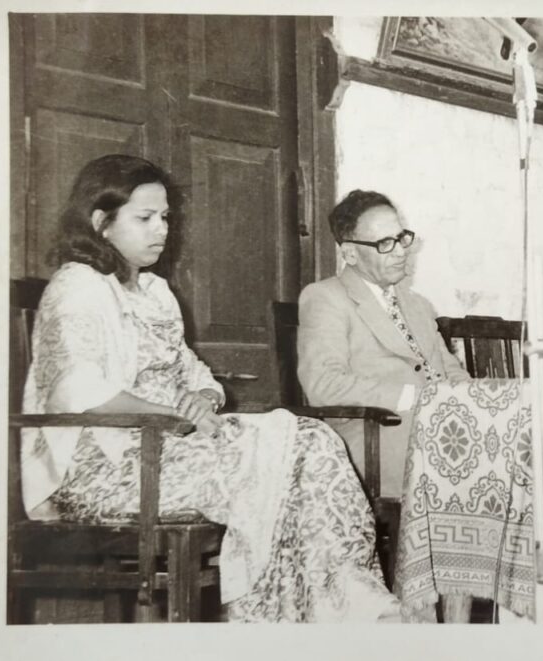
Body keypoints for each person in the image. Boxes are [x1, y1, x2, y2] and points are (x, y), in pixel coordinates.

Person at [21, 154, 400, 623]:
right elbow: (78, 393)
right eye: (145, 218)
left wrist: (203, 399)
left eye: (165, 217)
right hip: (107, 469)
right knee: (289, 456)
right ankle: (327, 612)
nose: (161, 229)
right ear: (101, 223)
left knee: (313, 438)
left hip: (169, 452)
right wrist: (173, 415)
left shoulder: (155, 292)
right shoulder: (78, 286)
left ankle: (338, 603)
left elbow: (197, 375)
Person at [296, 190, 470, 499]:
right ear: (350, 254)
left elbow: (450, 371)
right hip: (376, 440)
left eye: (401, 238)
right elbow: (324, 385)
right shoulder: (325, 298)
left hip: (440, 429)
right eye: (385, 244)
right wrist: (413, 398)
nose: (401, 252)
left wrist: (476, 402)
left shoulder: (418, 304)